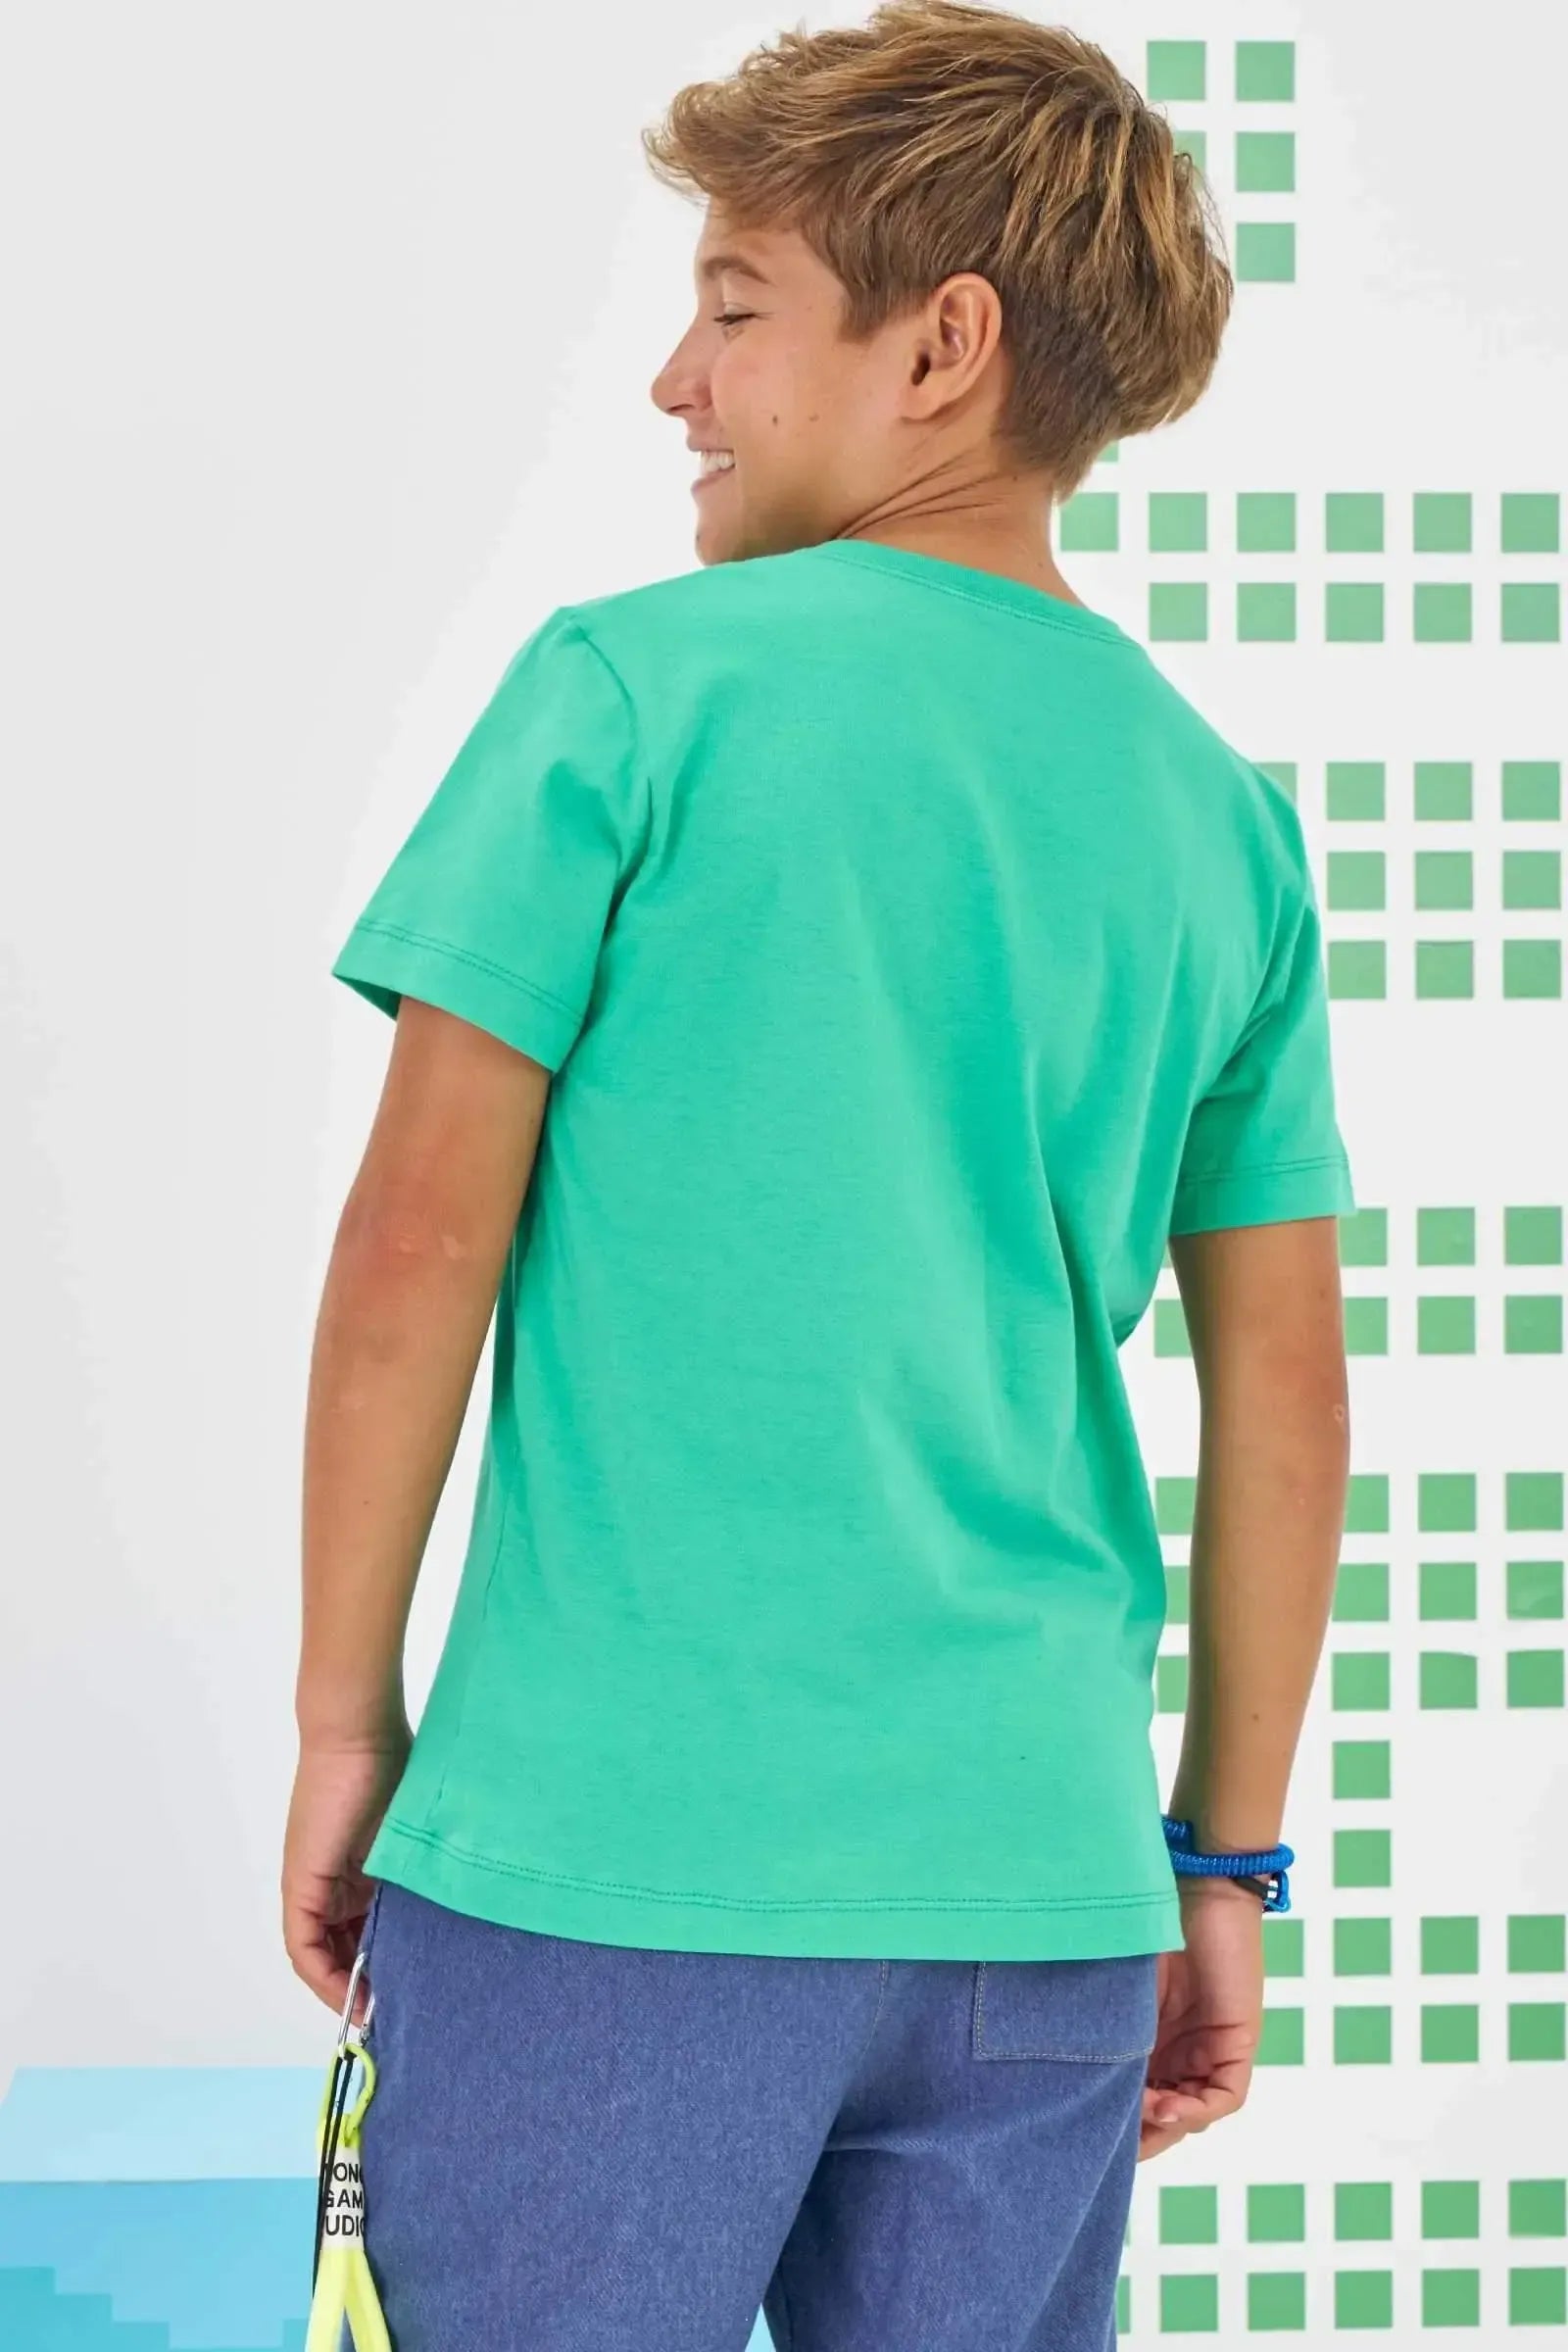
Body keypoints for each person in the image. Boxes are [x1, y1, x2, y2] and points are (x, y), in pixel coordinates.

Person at [283, 2, 1354, 2343]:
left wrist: (347, 1727)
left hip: (609, 1877)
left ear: (937, 348)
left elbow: (416, 1246)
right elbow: (1284, 1395)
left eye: (736, 309)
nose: (679, 381)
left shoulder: (629, 694)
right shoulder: (1219, 824)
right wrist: (1220, 1860)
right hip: (1036, 1914)